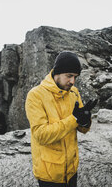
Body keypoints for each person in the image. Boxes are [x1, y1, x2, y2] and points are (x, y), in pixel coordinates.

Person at [25, 51, 97, 187]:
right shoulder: (36, 95)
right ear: (57, 72)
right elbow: (41, 135)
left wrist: (85, 120)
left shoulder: (74, 92)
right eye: (69, 76)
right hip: (50, 174)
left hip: (71, 170)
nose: (72, 81)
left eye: (75, 77)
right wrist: (74, 118)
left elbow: (82, 129)